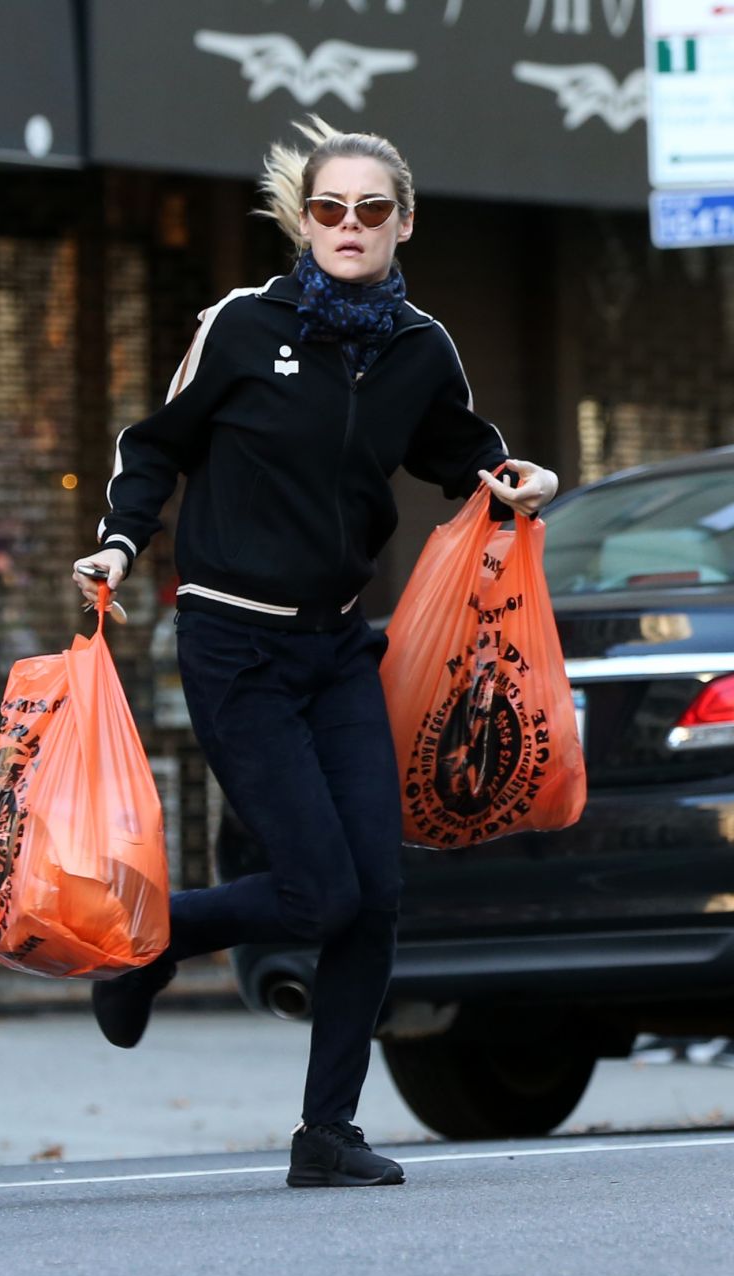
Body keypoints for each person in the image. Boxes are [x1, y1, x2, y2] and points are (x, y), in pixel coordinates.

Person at [72, 116, 559, 1189]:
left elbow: (458, 451)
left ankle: (324, 1133)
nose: (348, 226)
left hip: (339, 647)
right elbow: (155, 448)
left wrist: (519, 479)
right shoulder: (243, 325)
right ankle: (149, 940)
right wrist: (114, 542)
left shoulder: (418, 347)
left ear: (402, 222)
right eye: (329, 209)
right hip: (232, 642)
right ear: (305, 218)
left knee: (373, 893)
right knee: (316, 891)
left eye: (370, 210)